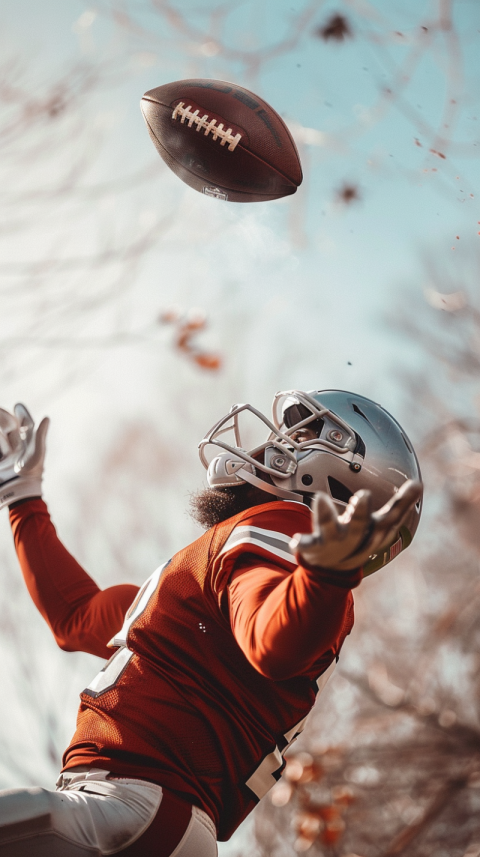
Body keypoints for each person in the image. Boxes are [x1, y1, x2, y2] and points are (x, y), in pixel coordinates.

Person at [0, 390, 422, 857]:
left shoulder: (285, 524)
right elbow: (75, 616)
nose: (271, 443)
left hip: (134, 808)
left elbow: (272, 643)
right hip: (145, 817)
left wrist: (324, 575)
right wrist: (22, 497)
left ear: (332, 478)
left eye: (297, 435)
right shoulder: (201, 592)